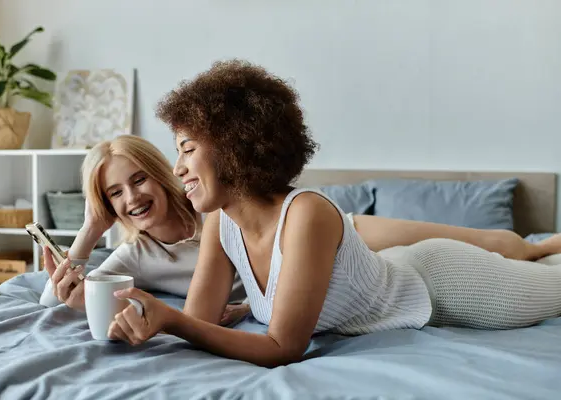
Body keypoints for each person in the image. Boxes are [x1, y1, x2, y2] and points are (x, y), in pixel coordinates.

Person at [106, 59, 561, 368]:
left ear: (235, 146)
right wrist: (150, 321)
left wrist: (170, 317)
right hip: (396, 270)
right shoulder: (221, 225)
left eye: (187, 148)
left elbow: (282, 347)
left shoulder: (307, 214)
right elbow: (200, 324)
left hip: (446, 284)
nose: (177, 167)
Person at [39, 135, 250, 326]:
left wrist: (247, 308)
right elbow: (50, 301)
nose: (132, 198)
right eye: (116, 193)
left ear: (159, 175)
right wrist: (90, 229)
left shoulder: (210, 208)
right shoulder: (136, 254)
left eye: (139, 180)